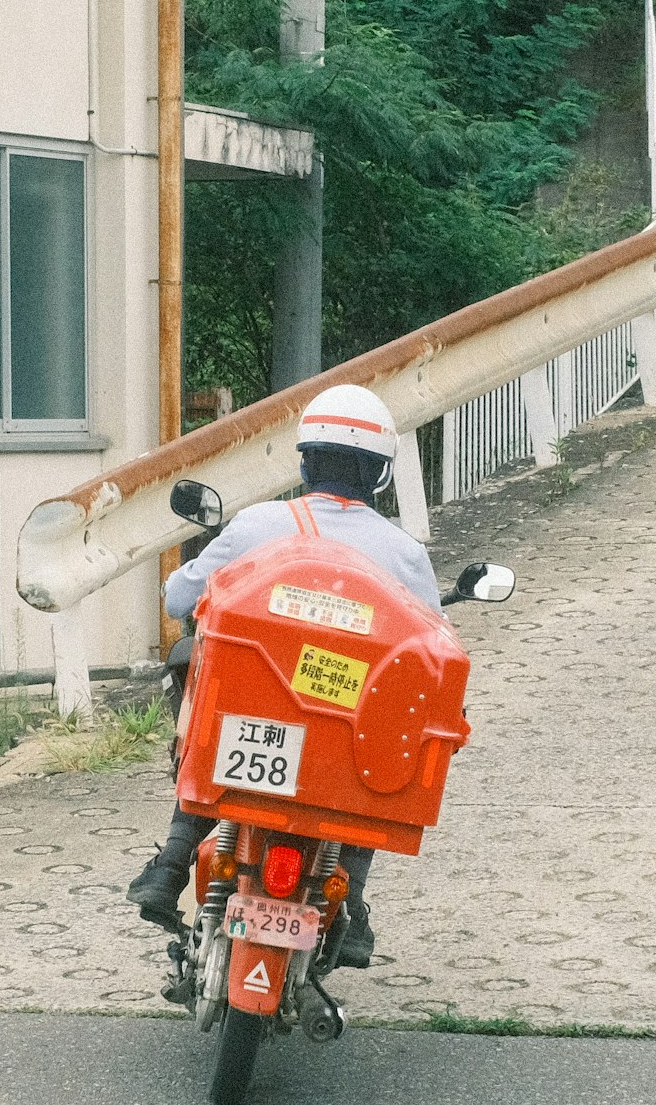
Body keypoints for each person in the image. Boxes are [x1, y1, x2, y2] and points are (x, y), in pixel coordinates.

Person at [127, 382, 438, 969]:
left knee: (194, 667)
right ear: (378, 473)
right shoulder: (402, 554)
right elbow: (431, 650)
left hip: (250, 723)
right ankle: (354, 897)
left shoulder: (257, 525)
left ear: (304, 460)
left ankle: (172, 861)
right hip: (340, 744)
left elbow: (177, 600)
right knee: (393, 738)